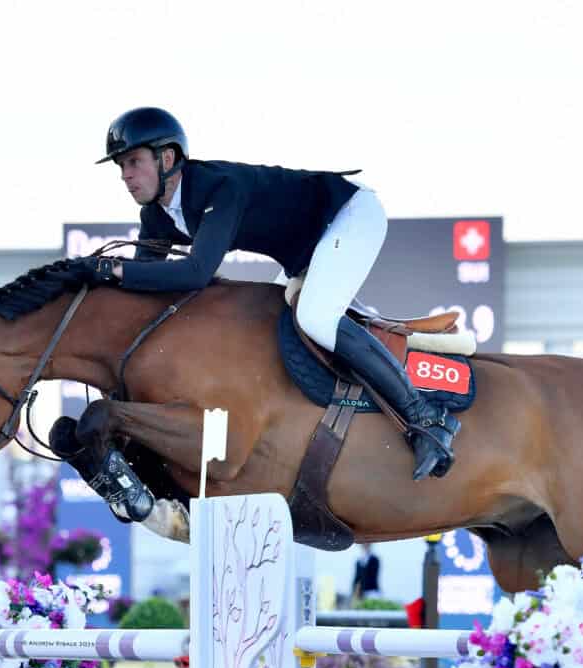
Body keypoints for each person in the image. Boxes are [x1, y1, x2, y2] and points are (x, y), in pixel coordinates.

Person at [63, 106, 460, 514]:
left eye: (133, 162)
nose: (125, 176)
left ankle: (427, 417)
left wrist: (111, 268)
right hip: (307, 250)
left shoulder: (217, 187)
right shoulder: (156, 215)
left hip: (348, 216)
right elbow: (143, 292)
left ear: (167, 159)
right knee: (271, 336)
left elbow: (198, 272)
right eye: (121, 167)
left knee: (316, 319)